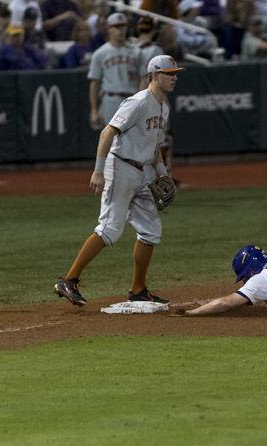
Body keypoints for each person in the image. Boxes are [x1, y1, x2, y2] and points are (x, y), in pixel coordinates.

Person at [54, 54, 184, 307]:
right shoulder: (138, 102)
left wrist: (163, 173)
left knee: (150, 230)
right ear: (155, 75)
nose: (175, 77)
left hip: (143, 172)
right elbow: (107, 132)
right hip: (120, 166)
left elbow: (155, 147)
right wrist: (98, 170)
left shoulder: (164, 107)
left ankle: (138, 289)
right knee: (110, 228)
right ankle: (69, 280)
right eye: (170, 73)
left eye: (175, 73)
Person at [87, 12, 145, 129]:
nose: (120, 30)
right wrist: (94, 110)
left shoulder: (137, 52)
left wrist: (143, 103)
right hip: (110, 100)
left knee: (133, 140)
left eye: (122, 26)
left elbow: (143, 79)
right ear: (109, 29)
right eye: (116, 26)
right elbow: (95, 83)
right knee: (112, 143)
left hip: (132, 99)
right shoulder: (100, 53)